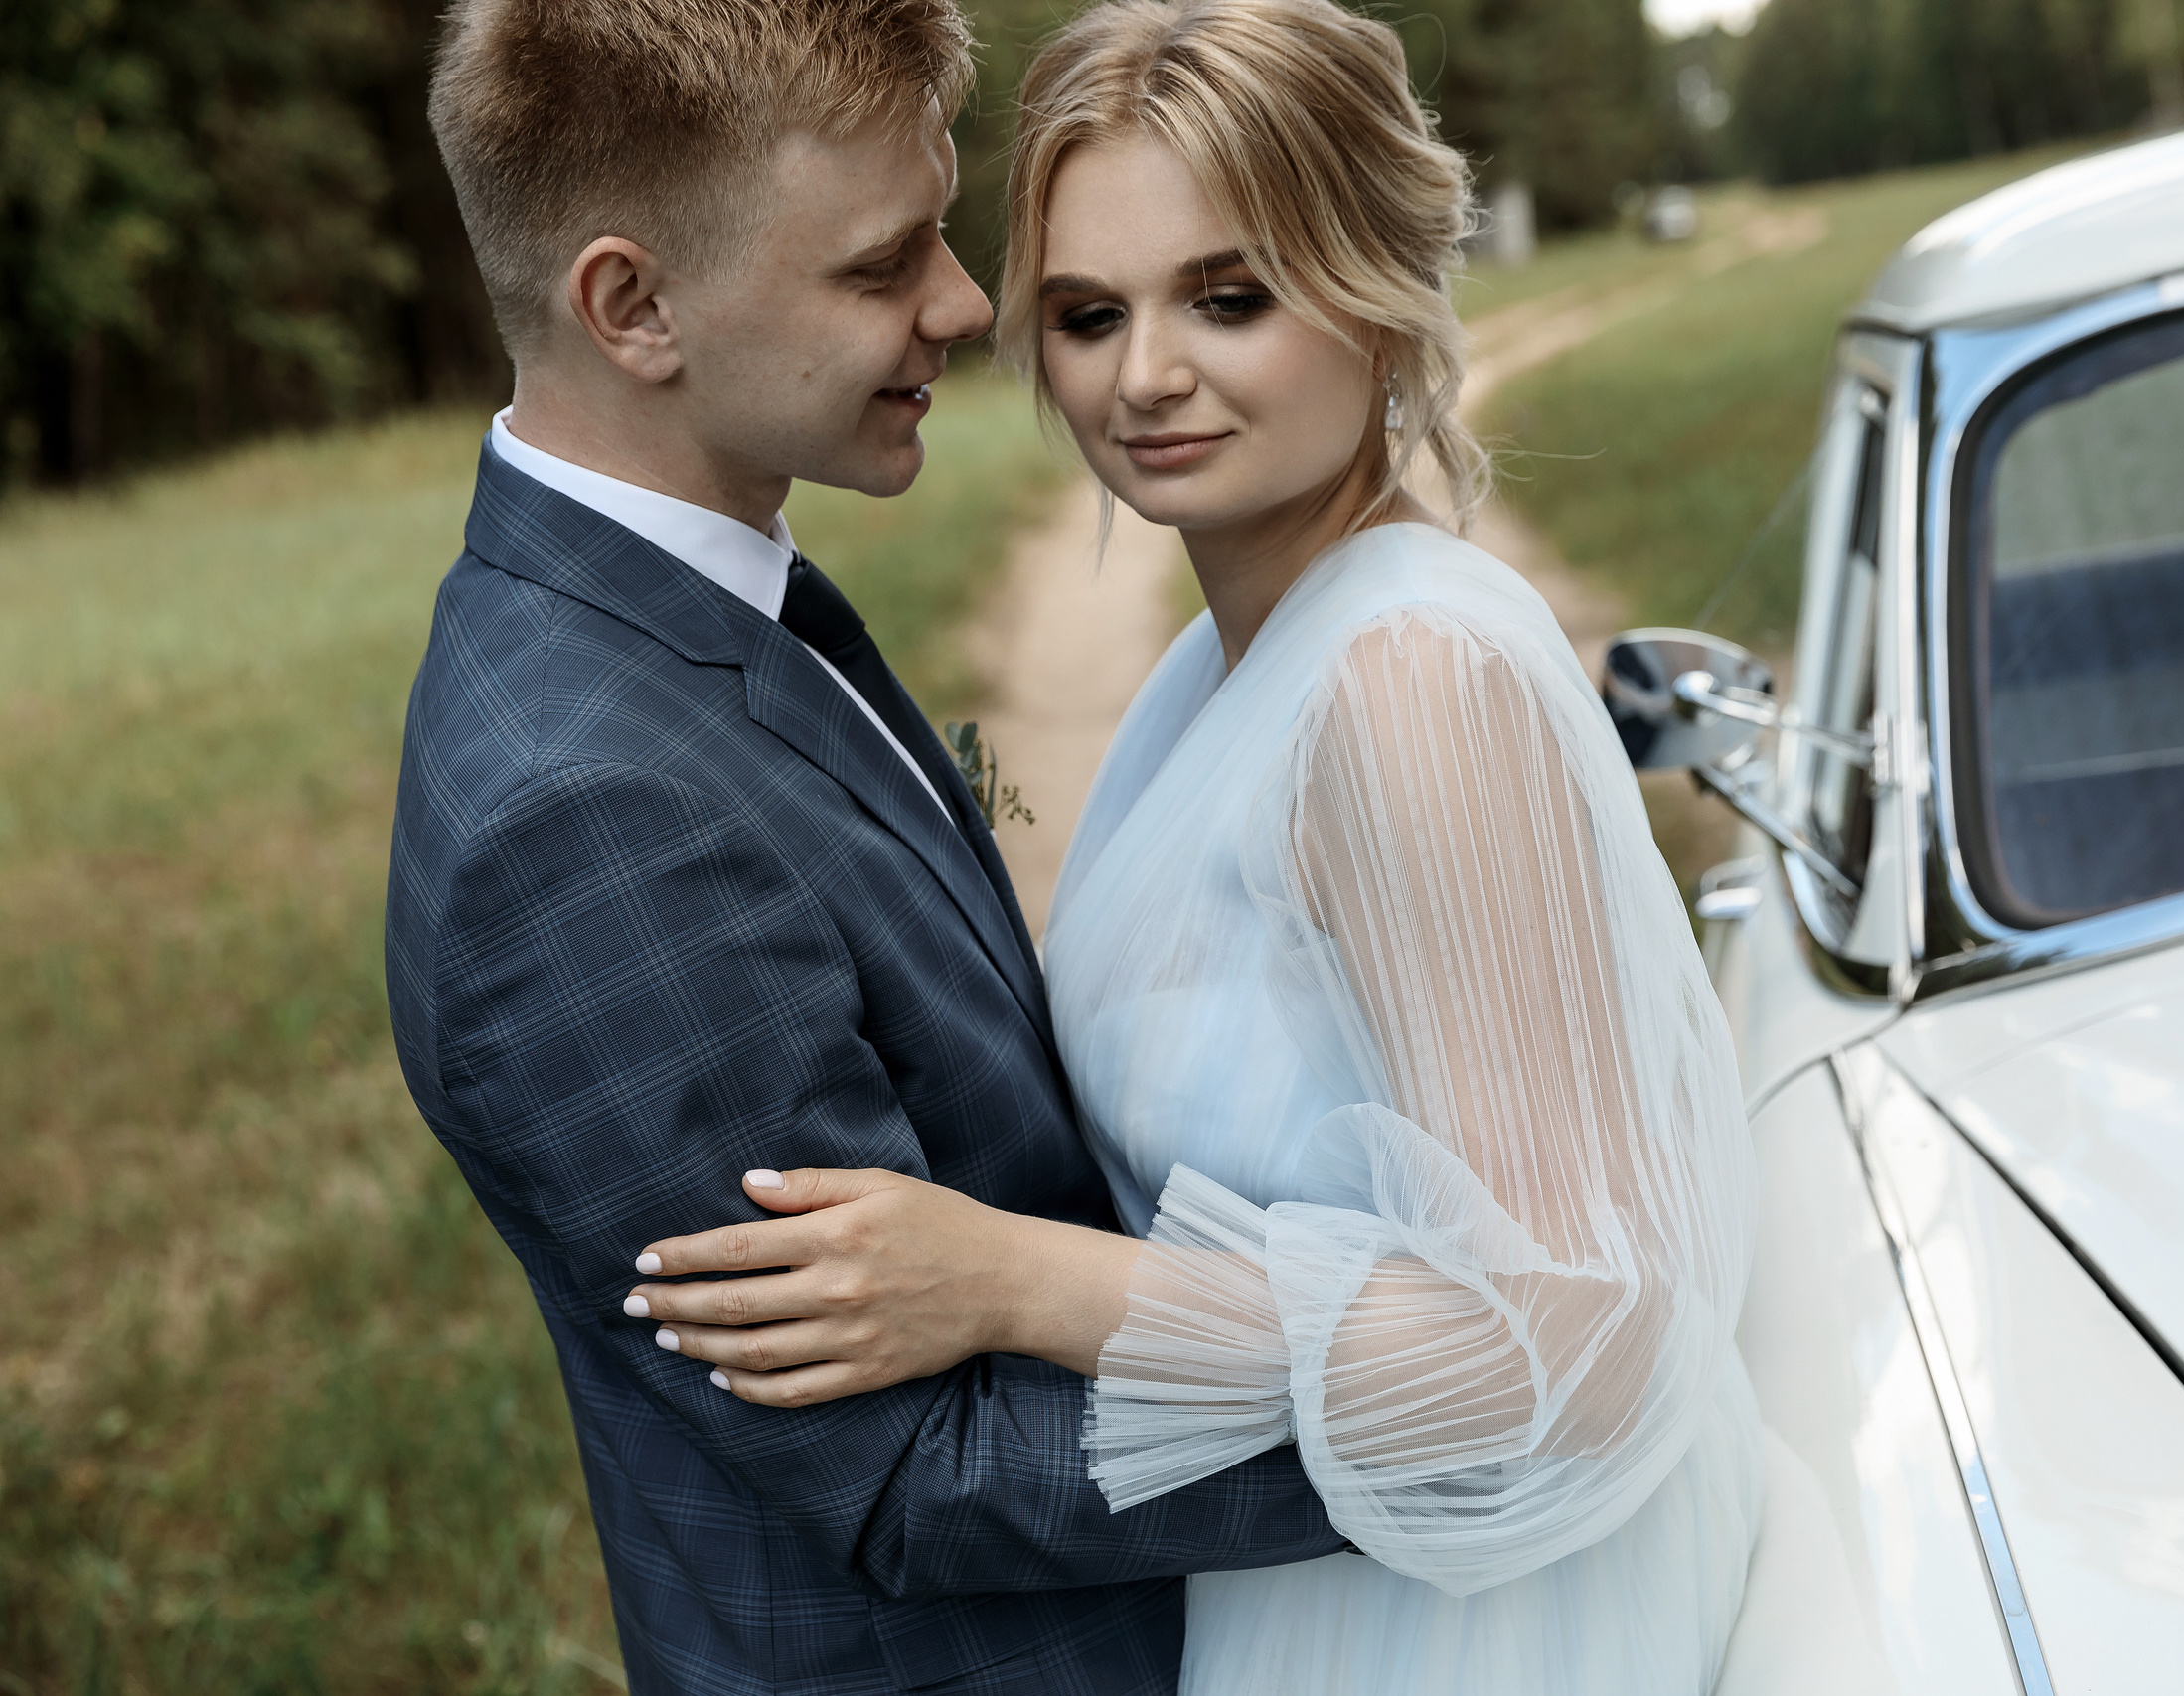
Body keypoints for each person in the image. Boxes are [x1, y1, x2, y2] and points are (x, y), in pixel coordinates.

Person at [628, 0, 1768, 1690]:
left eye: (1229, 298)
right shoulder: (1214, 666)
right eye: (1091, 315)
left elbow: (1578, 1346)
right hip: (1295, 1575)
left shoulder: (1406, 688)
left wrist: (1013, 1284)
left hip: (1468, 1628)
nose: (1144, 376)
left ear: (1379, 288)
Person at [384, 2, 1353, 1692]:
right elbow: (913, 1472)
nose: (970, 307)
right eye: (879, 264)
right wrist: (1456, 1419)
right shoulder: (587, 824)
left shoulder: (694, 595)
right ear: (634, 306)